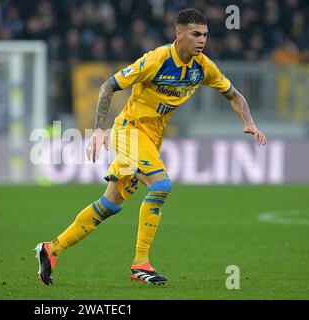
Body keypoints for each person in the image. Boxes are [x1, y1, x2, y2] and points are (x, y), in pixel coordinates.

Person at [35, 8, 267, 286]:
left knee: (111, 203)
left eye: (205, 34)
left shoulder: (202, 67)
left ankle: (52, 249)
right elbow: (108, 86)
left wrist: (249, 122)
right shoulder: (156, 60)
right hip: (129, 130)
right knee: (161, 185)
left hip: (152, 138)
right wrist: (98, 129)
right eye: (195, 34)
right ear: (178, 34)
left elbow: (234, 95)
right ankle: (140, 264)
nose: (202, 40)